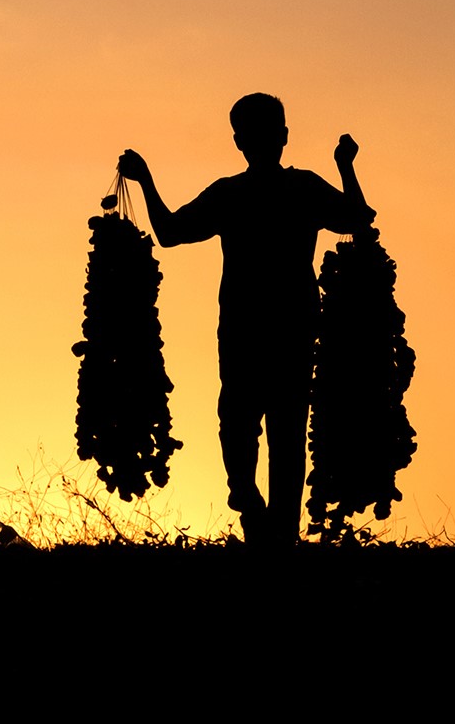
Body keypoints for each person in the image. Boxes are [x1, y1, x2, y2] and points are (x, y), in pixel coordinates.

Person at [118, 93, 372, 544]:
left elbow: (170, 232)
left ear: (239, 142)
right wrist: (345, 165)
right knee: (282, 430)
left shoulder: (233, 194)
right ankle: (269, 523)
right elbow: (357, 219)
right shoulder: (299, 189)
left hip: (249, 330)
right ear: (283, 137)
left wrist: (146, 181)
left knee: (243, 424)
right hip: (286, 327)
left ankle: (263, 522)